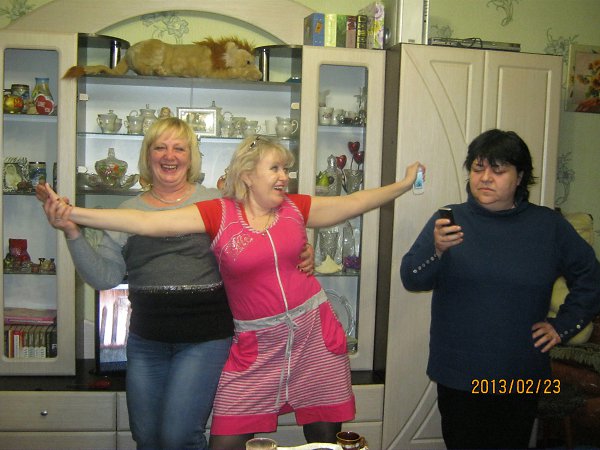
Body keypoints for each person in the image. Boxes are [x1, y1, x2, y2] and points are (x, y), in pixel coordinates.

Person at [40, 134, 423, 450]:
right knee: (222, 441)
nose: (285, 176)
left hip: (311, 335)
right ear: (248, 175)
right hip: (256, 344)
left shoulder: (294, 208)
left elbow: (352, 202)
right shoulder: (218, 212)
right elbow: (144, 222)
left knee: (324, 437)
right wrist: (72, 215)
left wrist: (403, 185)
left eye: (285, 169)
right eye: (276, 168)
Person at [37, 118, 314, 450]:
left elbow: (267, 236)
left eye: (179, 148)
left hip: (205, 340)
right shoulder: (127, 211)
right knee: (147, 438)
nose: (169, 156)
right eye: (160, 147)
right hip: (147, 341)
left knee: (179, 437)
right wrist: (72, 232)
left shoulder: (219, 204)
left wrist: (302, 250)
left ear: (190, 156)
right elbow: (104, 277)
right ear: (148, 156)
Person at [400, 129, 600, 449]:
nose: (485, 178)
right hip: (460, 373)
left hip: (520, 372)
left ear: (519, 177)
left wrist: (563, 326)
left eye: (498, 170)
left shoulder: (548, 226)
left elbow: (591, 277)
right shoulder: (450, 220)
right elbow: (412, 278)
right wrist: (436, 250)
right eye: (478, 168)